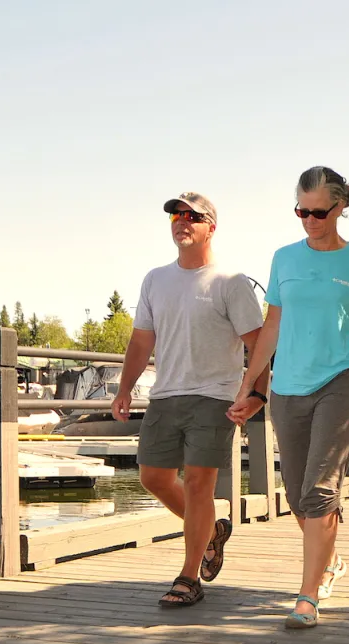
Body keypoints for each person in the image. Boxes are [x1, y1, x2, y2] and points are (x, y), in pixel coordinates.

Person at [228, 166, 349, 629]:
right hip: (287, 387)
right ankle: (329, 559)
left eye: (317, 211)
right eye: (300, 211)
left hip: (339, 380)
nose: (308, 220)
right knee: (295, 493)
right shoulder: (284, 259)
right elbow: (271, 327)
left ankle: (307, 598)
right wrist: (250, 385)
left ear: (340, 207)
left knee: (319, 489)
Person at [112, 191, 268, 607]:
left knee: (199, 484)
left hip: (215, 397)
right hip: (166, 395)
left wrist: (255, 393)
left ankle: (188, 577)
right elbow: (142, 339)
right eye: (176, 216)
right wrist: (125, 387)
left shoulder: (231, 283)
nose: (182, 222)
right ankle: (213, 531)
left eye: (192, 217)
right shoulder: (155, 279)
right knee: (153, 478)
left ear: (210, 227)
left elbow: (259, 345)